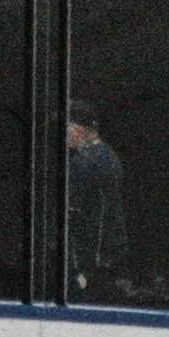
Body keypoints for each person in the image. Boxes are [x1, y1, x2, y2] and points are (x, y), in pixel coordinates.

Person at [65, 100, 128, 304]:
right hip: (109, 260)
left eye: (68, 128)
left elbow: (72, 217)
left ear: (81, 130)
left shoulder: (83, 162)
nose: (65, 135)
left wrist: (81, 271)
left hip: (89, 263)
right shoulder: (111, 157)